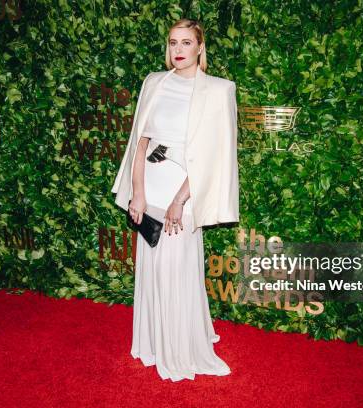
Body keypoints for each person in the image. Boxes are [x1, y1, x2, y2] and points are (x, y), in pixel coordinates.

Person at [111, 18, 239, 381]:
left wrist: (180, 200)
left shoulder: (218, 90)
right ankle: (153, 341)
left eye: (186, 42)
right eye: (172, 42)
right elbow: (141, 142)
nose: (178, 50)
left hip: (182, 191)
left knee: (175, 268)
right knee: (152, 267)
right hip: (150, 186)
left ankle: (180, 346)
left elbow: (214, 156)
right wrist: (137, 193)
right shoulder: (154, 82)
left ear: (200, 47)